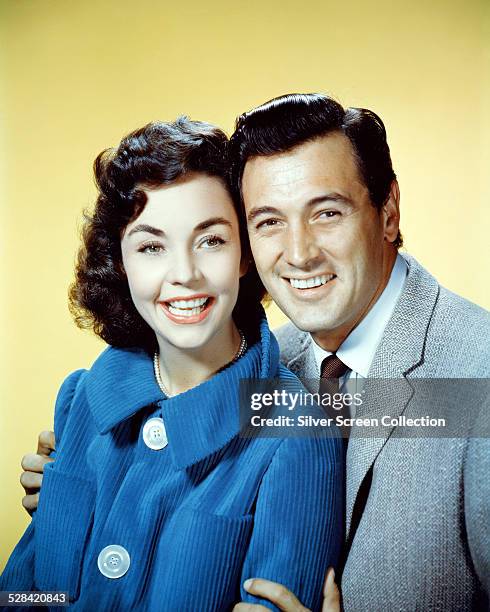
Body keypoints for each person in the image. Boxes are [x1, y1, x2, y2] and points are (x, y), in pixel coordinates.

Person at [17, 94, 490, 611]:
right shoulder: (280, 361)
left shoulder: (475, 377)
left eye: (327, 212)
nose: (299, 252)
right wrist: (81, 490)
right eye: (268, 221)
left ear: (388, 213)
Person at [1, 117, 344, 611]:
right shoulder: (81, 400)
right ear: (121, 261)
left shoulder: (296, 434)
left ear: (245, 253)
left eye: (211, 240)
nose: (184, 274)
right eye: (152, 246)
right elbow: (25, 592)